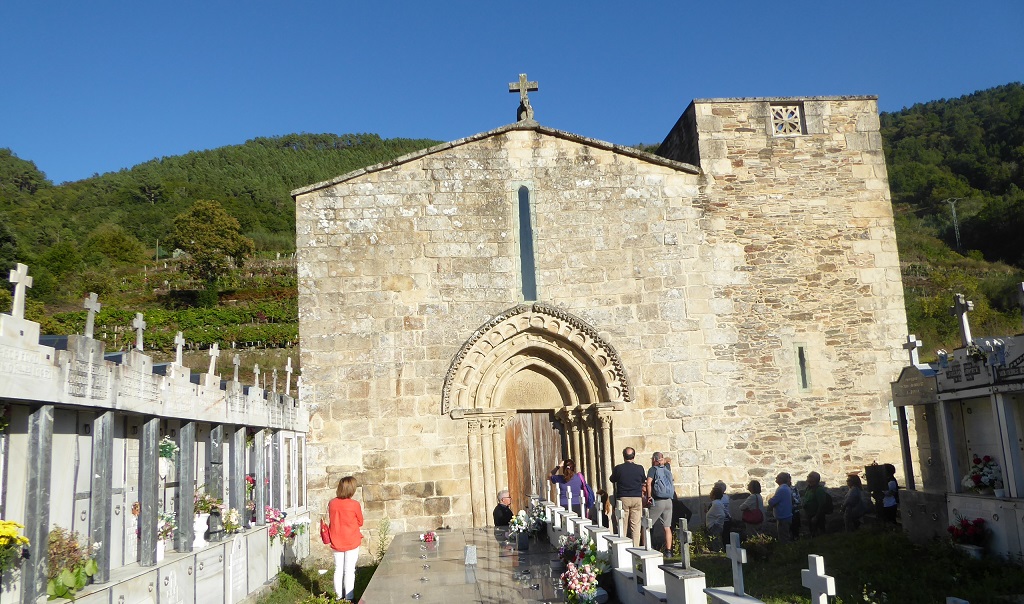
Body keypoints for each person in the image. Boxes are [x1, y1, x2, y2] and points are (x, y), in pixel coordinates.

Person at [328, 476, 364, 602]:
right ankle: (349, 598)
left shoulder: (332, 503)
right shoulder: (354, 504)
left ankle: (337, 597)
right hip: (351, 539)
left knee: (338, 569)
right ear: (351, 489)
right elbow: (360, 522)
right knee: (349, 570)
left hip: (336, 539)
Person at [609, 447, 646, 547]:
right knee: (636, 525)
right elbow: (643, 480)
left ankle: (622, 546)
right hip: (636, 498)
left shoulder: (619, 468)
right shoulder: (640, 468)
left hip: (623, 498)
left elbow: (612, 479)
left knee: (622, 523)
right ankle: (635, 548)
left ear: (623, 456)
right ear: (634, 456)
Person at [645, 452, 674, 553]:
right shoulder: (667, 468)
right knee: (667, 527)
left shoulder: (653, 469)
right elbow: (669, 460)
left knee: (646, 524)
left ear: (653, 459)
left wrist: (649, 496)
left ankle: (648, 547)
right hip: (669, 501)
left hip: (658, 501)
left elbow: (648, 483)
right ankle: (669, 551)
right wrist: (663, 460)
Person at [767, 472, 793, 544]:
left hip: (783, 517)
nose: (776, 478)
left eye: (777, 477)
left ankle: (786, 551)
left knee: (783, 538)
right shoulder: (786, 488)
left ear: (781, 479)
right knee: (784, 535)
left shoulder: (782, 489)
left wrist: (769, 500)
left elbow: (773, 501)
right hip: (785, 515)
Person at [802, 471, 829, 537]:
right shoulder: (809, 488)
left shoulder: (819, 490)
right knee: (812, 532)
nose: (807, 478)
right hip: (809, 514)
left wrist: (816, 516)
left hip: (816, 515)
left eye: (809, 477)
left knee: (819, 533)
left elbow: (821, 504)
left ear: (814, 479)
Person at [705, 485, 728, 551]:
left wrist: (716, 524)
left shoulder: (716, 504)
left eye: (711, 492)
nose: (710, 494)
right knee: (715, 543)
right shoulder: (717, 503)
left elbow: (722, 515)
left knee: (717, 544)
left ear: (714, 495)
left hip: (715, 527)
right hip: (713, 527)